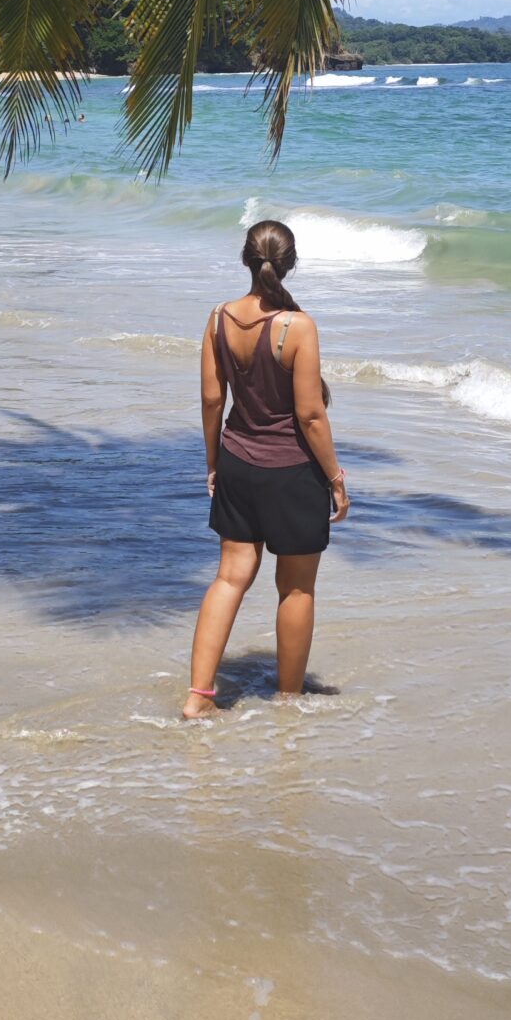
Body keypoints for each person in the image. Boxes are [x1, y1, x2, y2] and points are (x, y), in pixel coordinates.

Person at [182, 218, 349, 719]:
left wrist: (215, 462)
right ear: (290, 264)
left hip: (238, 462)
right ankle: (288, 703)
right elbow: (311, 415)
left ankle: (198, 697)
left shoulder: (219, 318)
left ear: (246, 260)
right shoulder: (298, 327)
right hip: (292, 472)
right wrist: (336, 478)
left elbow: (212, 400)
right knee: (296, 588)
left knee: (229, 578)